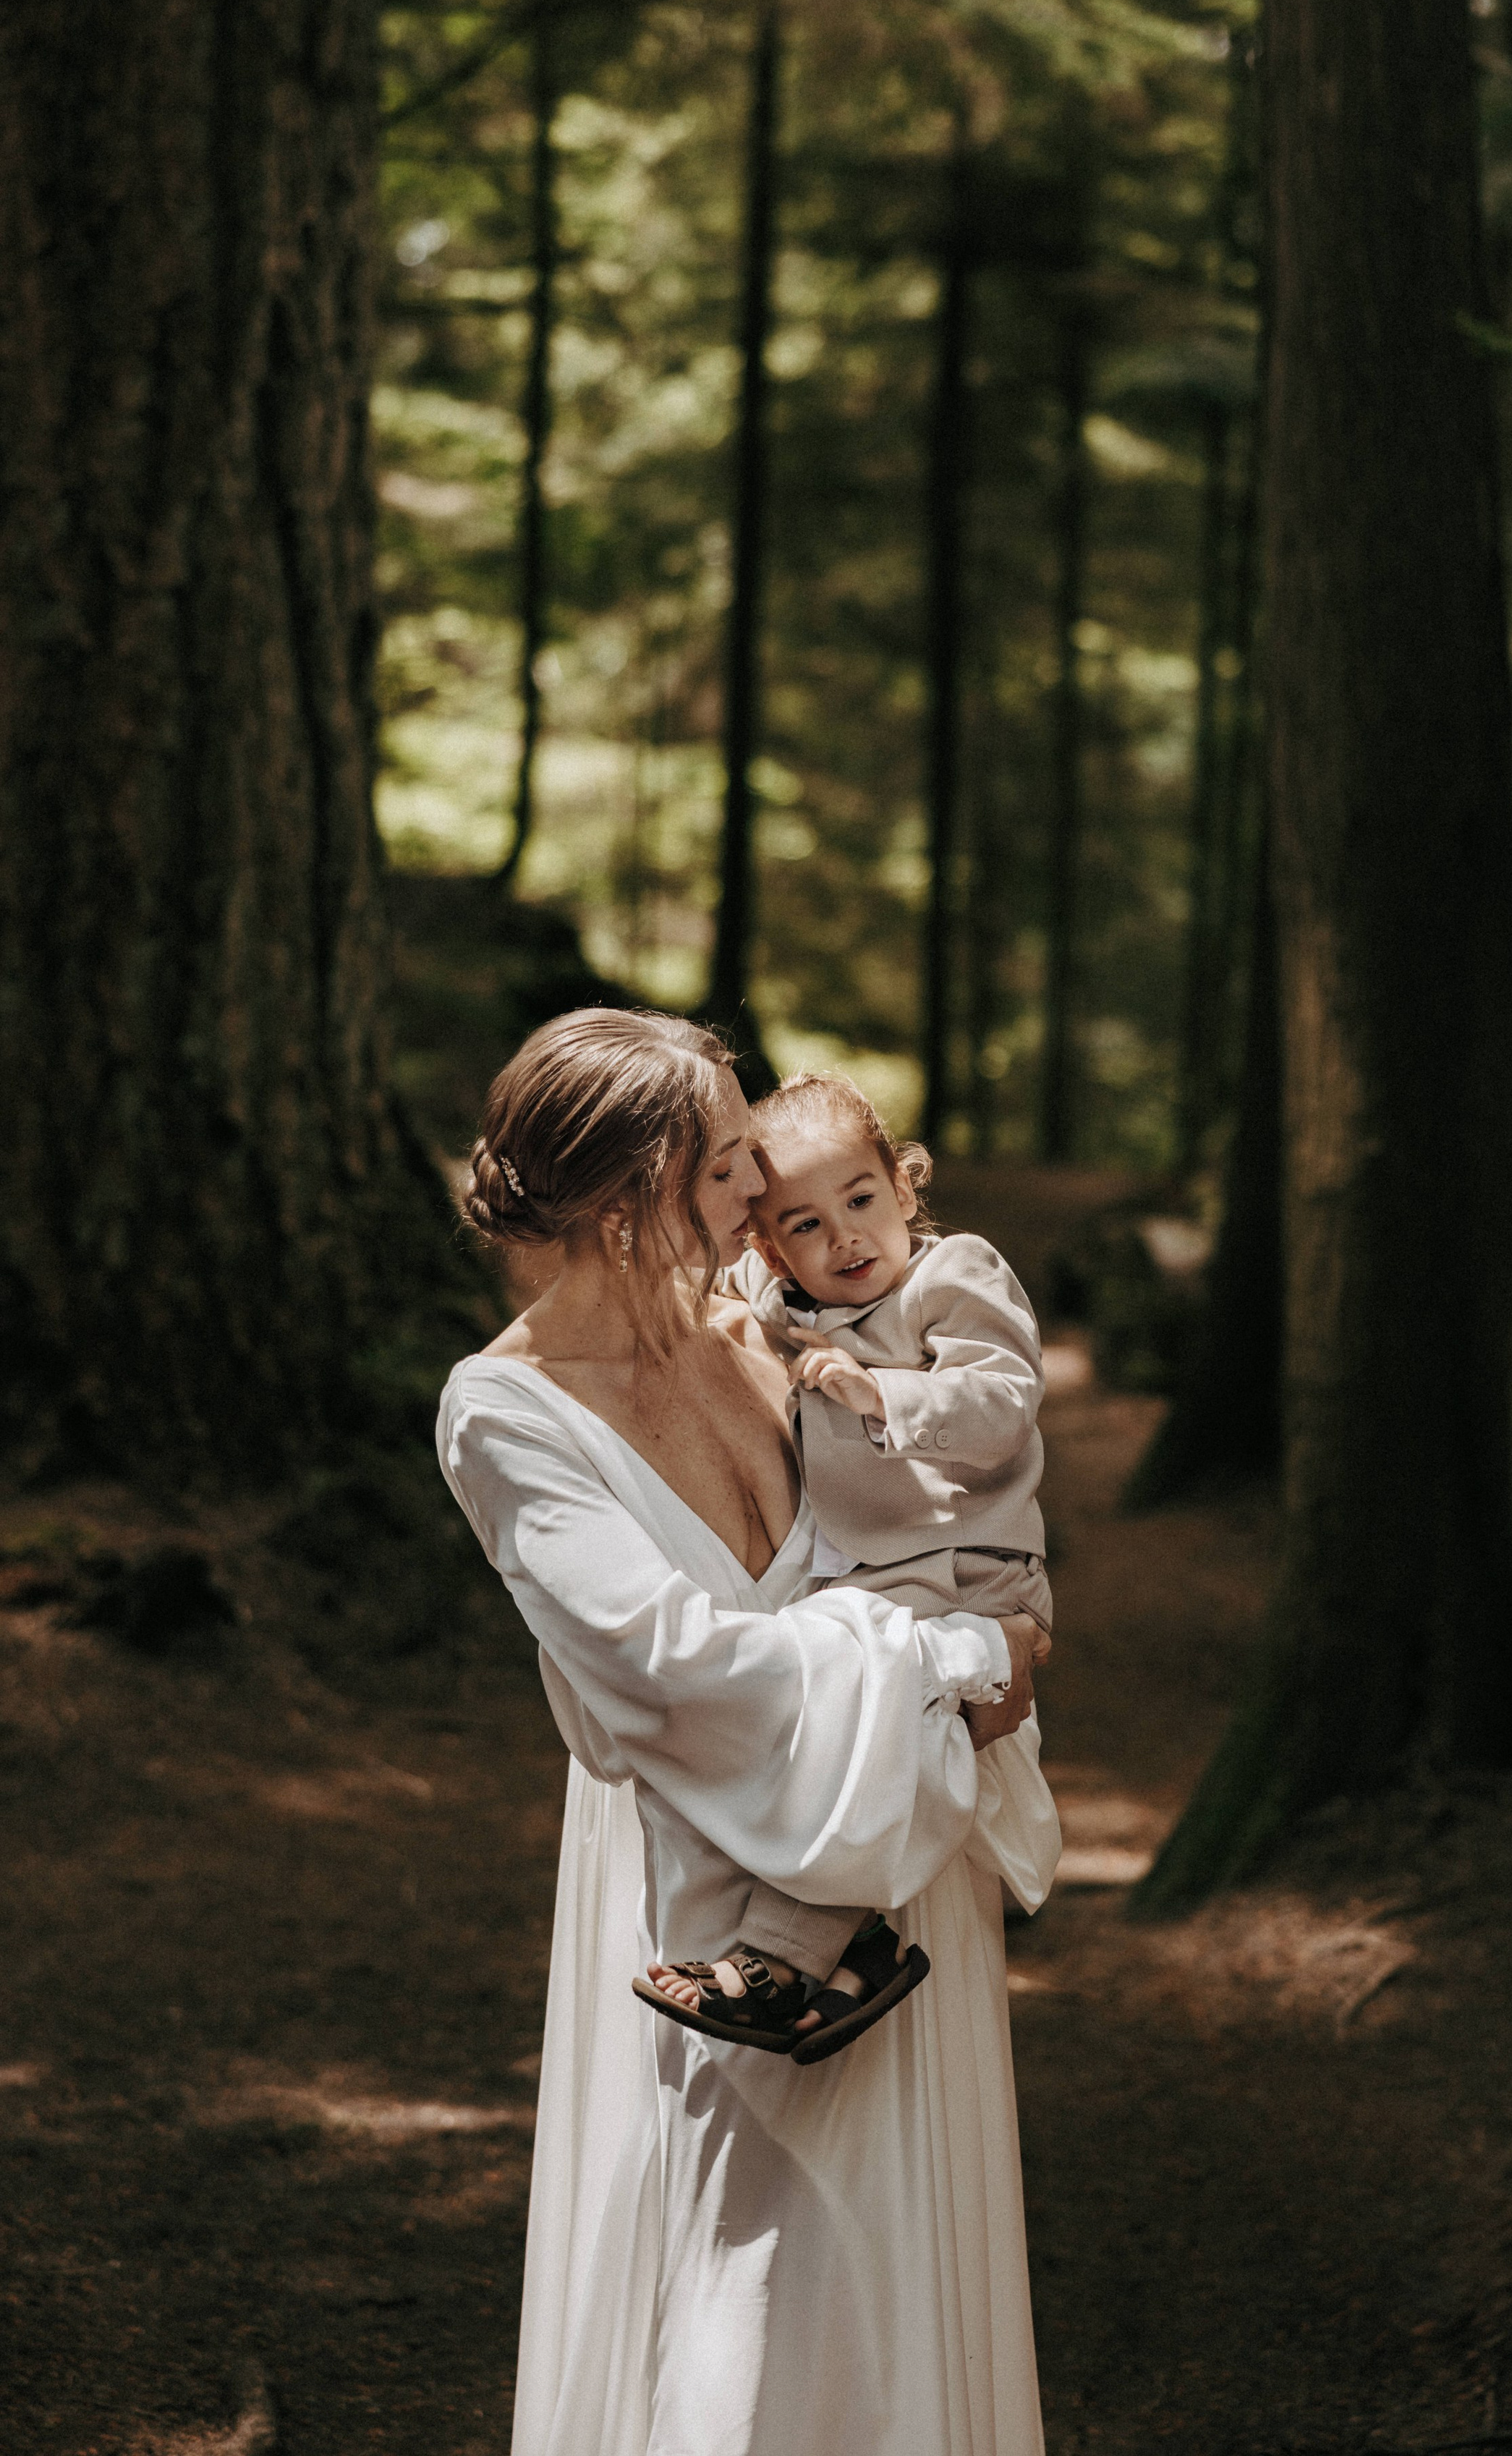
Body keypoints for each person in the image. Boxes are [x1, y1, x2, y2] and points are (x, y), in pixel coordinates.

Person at [435, 1006, 1061, 2456]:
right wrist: (959, 1651)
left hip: (906, 1846)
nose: (762, 1187)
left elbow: (948, 1498)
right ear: (620, 1199)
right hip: (711, 1875)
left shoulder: (762, 1325)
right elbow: (675, 1669)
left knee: (906, 2278)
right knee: (752, 2297)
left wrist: (990, 1606)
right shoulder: (505, 1412)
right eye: (726, 1162)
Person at [631, 1071, 1051, 2061]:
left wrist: (885, 1395)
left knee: (858, 1707)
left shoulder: (952, 1275)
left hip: (963, 1564)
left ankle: (777, 1961)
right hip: (873, 1569)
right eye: (807, 1225)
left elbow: (1003, 1399)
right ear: (772, 1246)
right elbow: (701, 1286)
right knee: (809, 1709)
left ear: (903, 1189)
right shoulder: (785, 1298)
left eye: (862, 1201)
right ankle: (860, 1950)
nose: (846, 1239)